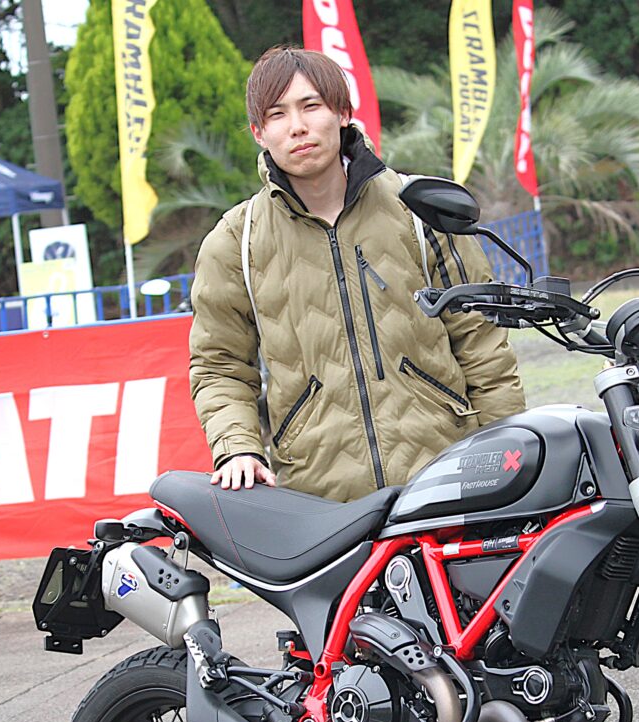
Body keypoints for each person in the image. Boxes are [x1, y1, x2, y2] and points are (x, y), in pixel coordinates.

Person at [189, 46, 525, 503]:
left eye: (311, 106)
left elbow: (480, 339)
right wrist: (237, 448)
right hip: (320, 500)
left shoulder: (419, 207)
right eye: (277, 114)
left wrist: (506, 444)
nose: (298, 126)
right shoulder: (235, 240)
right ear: (259, 133)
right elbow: (219, 365)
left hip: (445, 472)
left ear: (343, 113)